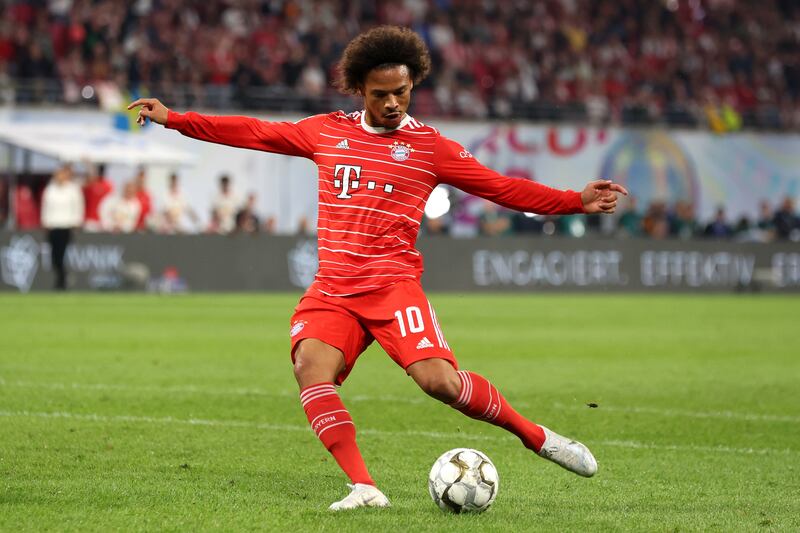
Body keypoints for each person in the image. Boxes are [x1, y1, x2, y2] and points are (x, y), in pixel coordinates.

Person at [129, 26, 627, 511]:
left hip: (393, 289)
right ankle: (364, 487)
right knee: (310, 369)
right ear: (360, 90)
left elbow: (500, 187)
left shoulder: (431, 149)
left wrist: (574, 201)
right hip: (334, 291)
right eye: (381, 94)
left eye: (402, 92)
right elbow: (253, 132)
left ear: (414, 85)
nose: (392, 103)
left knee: (440, 383)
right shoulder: (327, 132)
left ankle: (537, 437)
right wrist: (175, 118)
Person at [41, 164, 84, 290]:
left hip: (66, 225)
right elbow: (46, 207)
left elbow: (78, 206)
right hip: (53, 225)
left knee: (61, 254)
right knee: (54, 256)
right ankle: (62, 278)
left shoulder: (73, 189)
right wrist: (45, 221)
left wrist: (76, 221)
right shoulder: (50, 189)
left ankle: (62, 281)